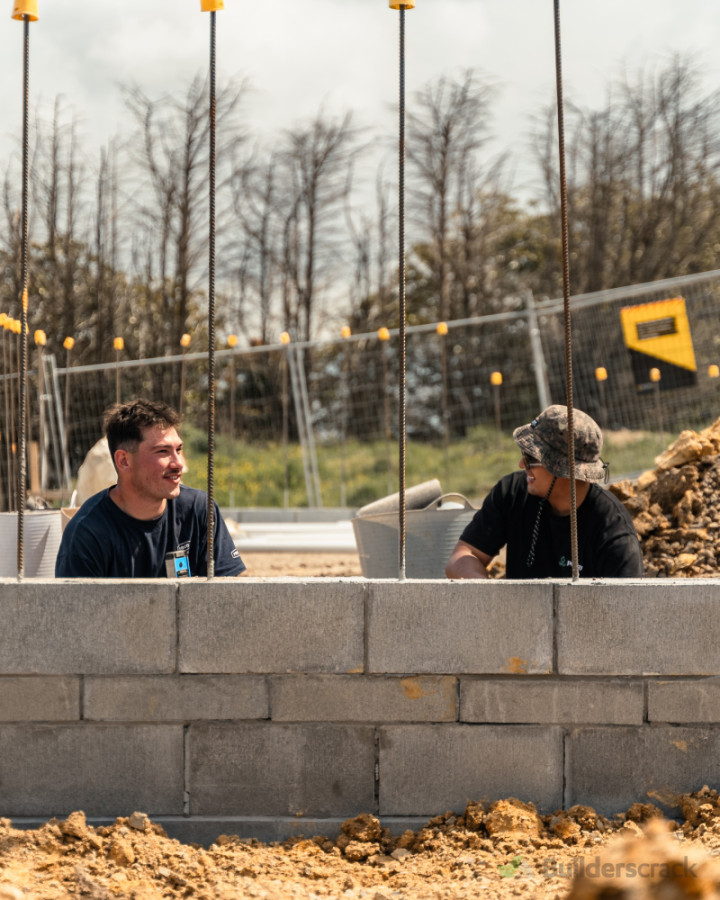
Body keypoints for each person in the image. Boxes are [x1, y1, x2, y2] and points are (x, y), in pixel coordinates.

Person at [445, 404, 644, 579]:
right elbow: (462, 557)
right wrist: (493, 602)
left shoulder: (614, 534)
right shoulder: (511, 493)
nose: (522, 464)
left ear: (565, 470)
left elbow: (624, 611)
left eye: (532, 458)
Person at [55, 399, 246, 578]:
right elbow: (76, 611)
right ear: (124, 461)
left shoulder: (199, 511)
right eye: (162, 451)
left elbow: (228, 599)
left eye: (178, 450)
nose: (178, 463)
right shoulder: (87, 534)